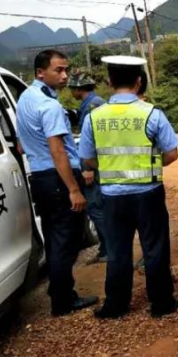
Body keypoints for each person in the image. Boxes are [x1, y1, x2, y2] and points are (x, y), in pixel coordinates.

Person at [78, 56, 178, 319]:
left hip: (113, 196)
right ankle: (161, 303)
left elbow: (88, 158)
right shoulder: (151, 113)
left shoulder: (94, 117)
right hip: (148, 193)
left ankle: (116, 305)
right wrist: (148, 164)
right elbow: (171, 154)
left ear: (108, 82)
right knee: (155, 248)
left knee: (117, 250)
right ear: (139, 81)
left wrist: (111, 165)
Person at [16, 50, 98, 316]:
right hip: (58, 177)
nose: (64, 76)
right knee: (67, 240)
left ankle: (58, 292)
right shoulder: (49, 106)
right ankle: (63, 300)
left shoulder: (26, 98)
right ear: (41, 72)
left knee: (54, 238)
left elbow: (20, 144)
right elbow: (58, 150)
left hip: (41, 178)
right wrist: (73, 189)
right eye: (58, 70)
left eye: (66, 70)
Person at [68, 72, 108, 263]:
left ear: (78, 88)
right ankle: (107, 247)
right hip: (103, 163)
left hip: (95, 165)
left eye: (72, 88)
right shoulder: (97, 102)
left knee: (95, 207)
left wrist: (87, 168)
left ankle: (108, 248)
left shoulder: (92, 106)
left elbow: (89, 140)